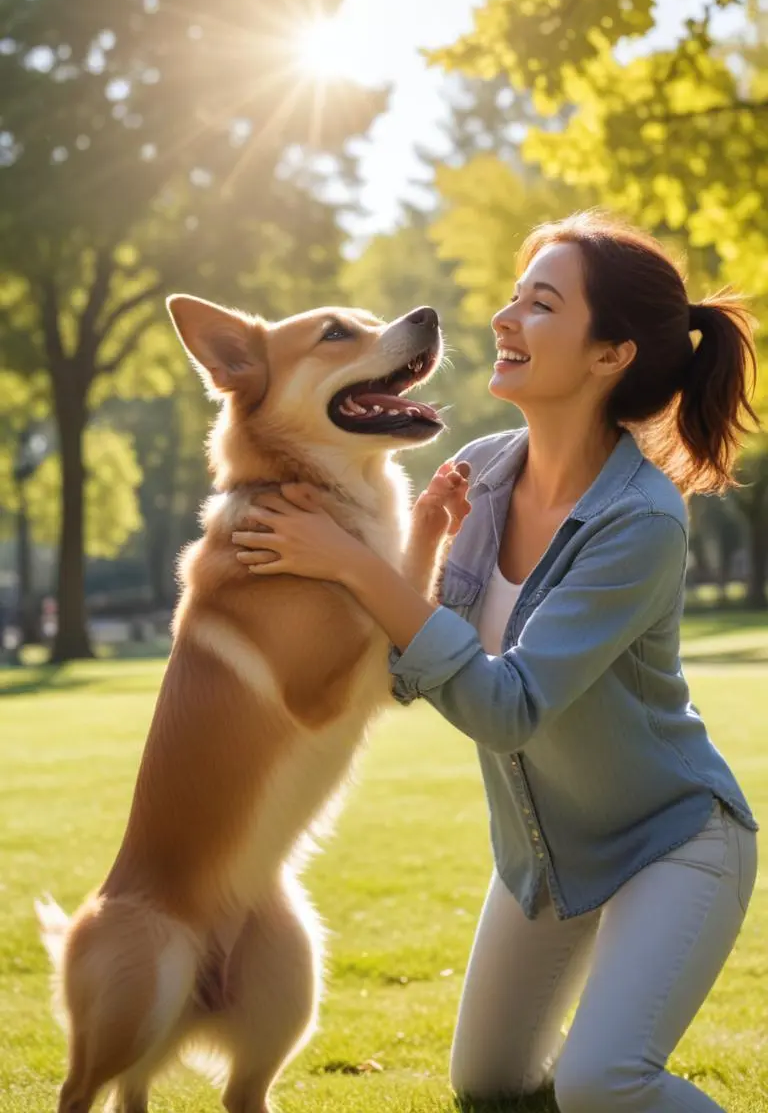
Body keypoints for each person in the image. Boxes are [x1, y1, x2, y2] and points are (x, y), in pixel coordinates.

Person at [231, 211, 759, 1113]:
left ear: (610, 356)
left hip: (673, 843)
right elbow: (408, 669)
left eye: (541, 304)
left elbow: (506, 706)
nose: (505, 319)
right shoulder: (477, 474)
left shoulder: (642, 519)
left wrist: (354, 563)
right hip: (544, 858)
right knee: (489, 1084)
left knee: (603, 1084)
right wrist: (413, 552)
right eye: (515, 297)